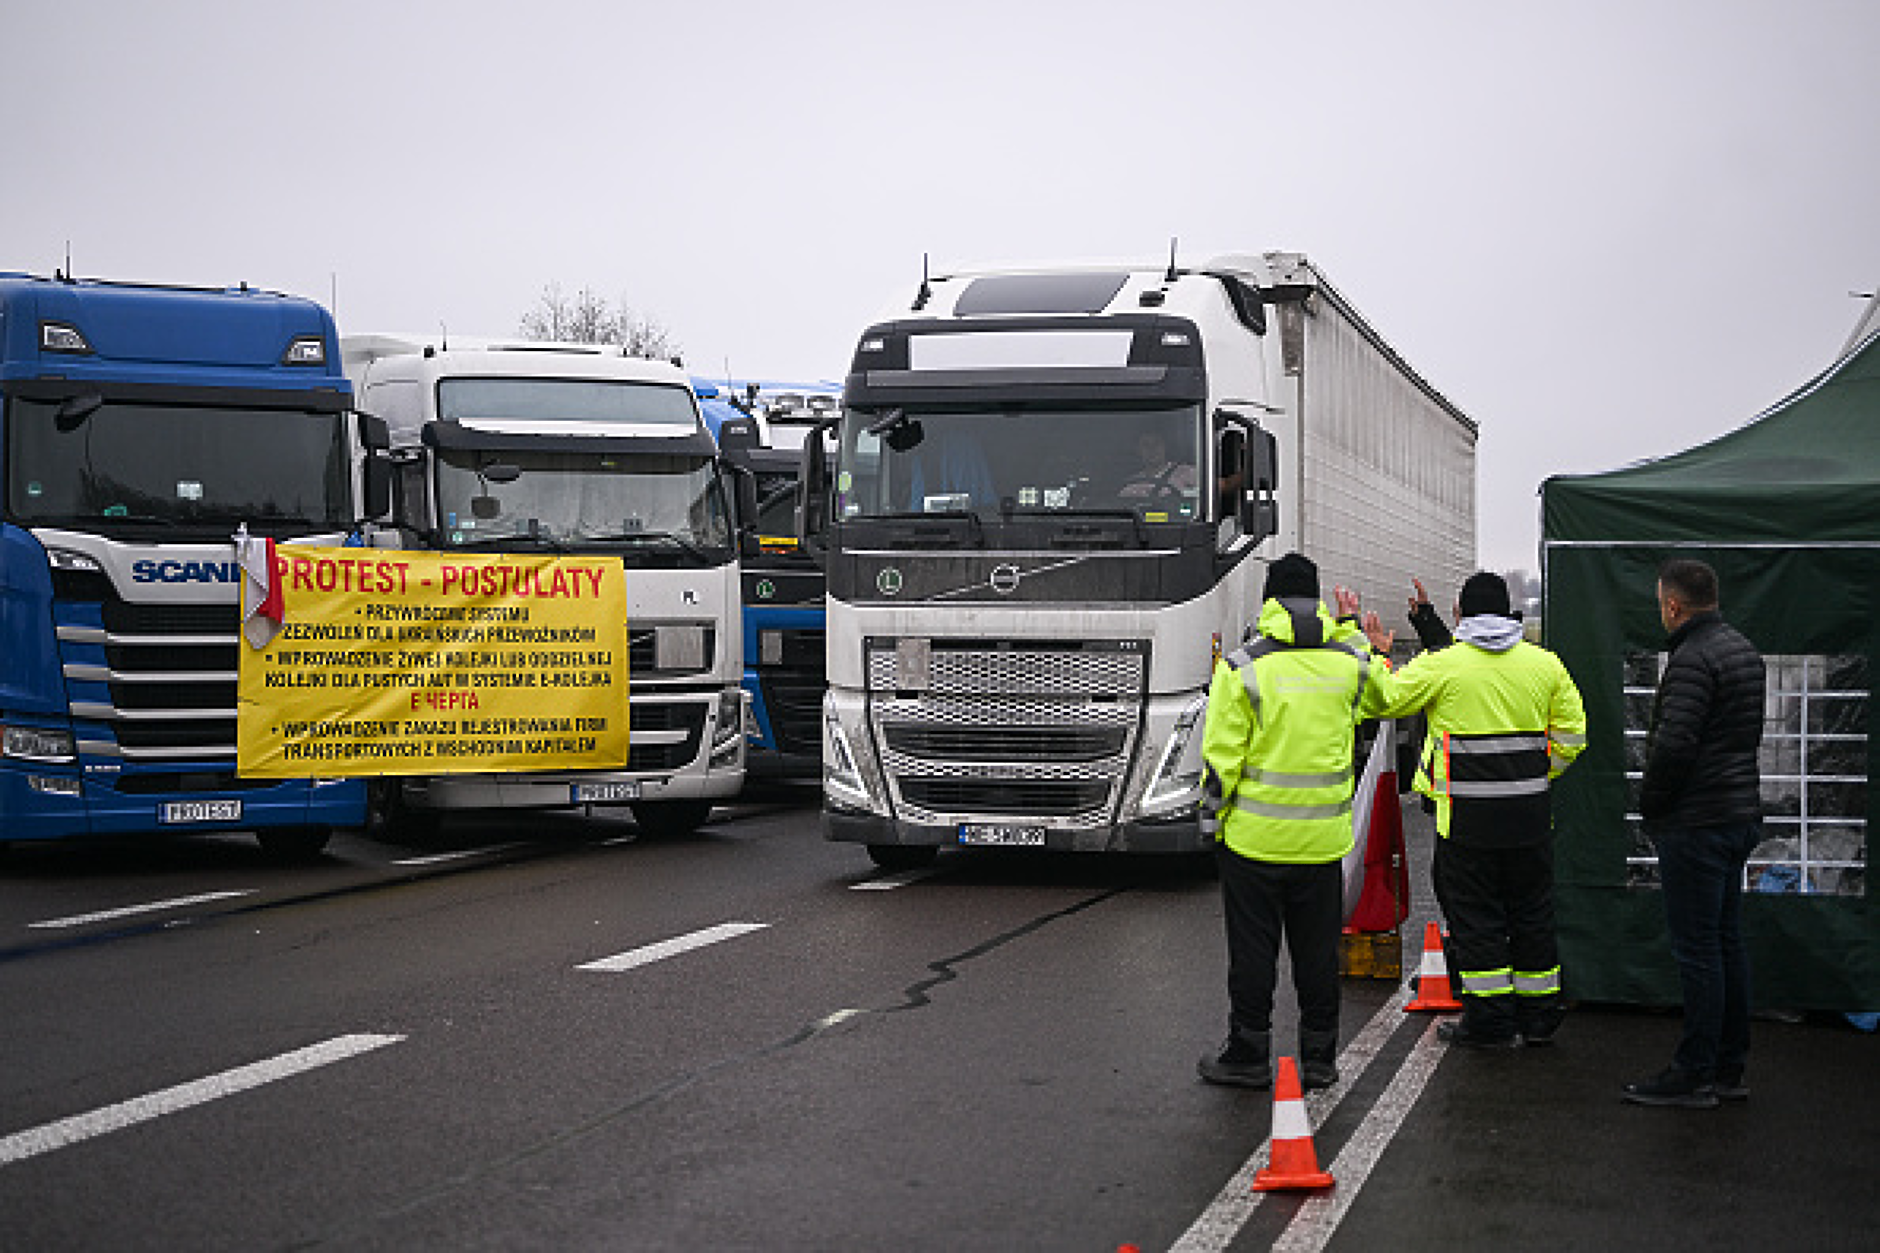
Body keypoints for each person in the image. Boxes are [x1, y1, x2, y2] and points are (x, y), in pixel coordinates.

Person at [1354, 572, 1588, 1049]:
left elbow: (1384, 699)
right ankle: (1540, 1016)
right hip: (1529, 819)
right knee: (1531, 913)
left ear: (1461, 612)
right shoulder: (1545, 665)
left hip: (1465, 822)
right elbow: (1573, 737)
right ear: (1507, 611)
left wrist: (1378, 653)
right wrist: (1537, 775)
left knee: (1476, 919)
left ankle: (1491, 1023)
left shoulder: (1444, 665)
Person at [1197, 552, 1390, 1091]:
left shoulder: (1241, 668)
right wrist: (1356, 636)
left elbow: (1220, 763)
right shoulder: (1348, 665)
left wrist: (1210, 825)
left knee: (1253, 954)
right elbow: (1383, 699)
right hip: (1322, 843)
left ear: (1269, 602)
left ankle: (1248, 1055)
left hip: (1253, 843)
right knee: (1317, 955)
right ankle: (1321, 1059)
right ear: (1319, 599)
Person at [1622, 559, 1765, 1109]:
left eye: (1662, 603)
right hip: (1736, 816)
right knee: (1727, 942)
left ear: (1674, 606)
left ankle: (1694, 1072)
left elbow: (1674, 747)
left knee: (1697, 950)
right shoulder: (1742, 651)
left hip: (1697, 822)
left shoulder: (1690, 660)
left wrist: (1651, 805)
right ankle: (1729, 1066)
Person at [1117, 428, 1198, 504]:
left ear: (1165, 447)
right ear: (1138, 450)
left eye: (1157, 443)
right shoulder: (1131, 486)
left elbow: (1203, 495)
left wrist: (1182, 494)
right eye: (1146, 445)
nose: (1152, 449)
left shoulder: (1188, 473)